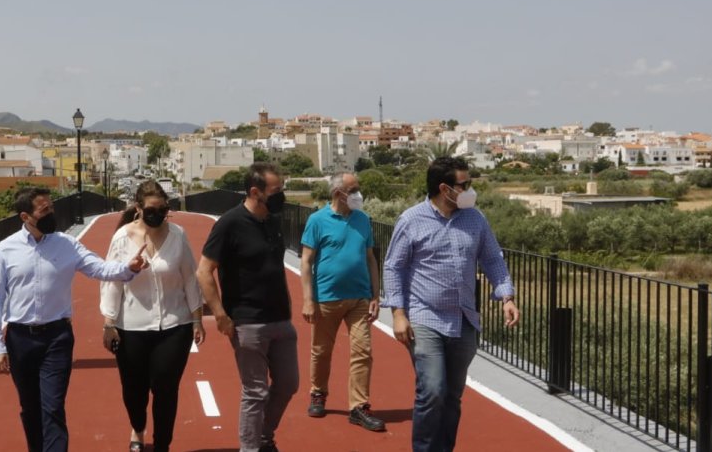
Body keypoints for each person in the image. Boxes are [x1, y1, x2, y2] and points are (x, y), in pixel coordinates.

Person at [0, 186, 150, 452]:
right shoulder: (5, 250)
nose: (52, 212)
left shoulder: (67, 244)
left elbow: (98, 267)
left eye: (52, 206)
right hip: (20, 339)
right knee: (30, 408)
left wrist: (127, 269)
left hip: (57, 338)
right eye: (44, 209)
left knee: (52, 406)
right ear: (26, 216)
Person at [382, 156, 520, 452]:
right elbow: (394, 267)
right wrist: (398, 314)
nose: (470, 189)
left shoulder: (475, 219)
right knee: (432, 391)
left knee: (453, 395)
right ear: (445, 189)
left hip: (464, 320)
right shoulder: (411, 220)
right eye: (465, 184)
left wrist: (506, 295)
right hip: (424, 317)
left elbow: (493, 257)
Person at [197, 162, 298, 452]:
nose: (282, 196)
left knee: (288, 384)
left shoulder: (273, 221)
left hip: (280, 319)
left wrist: (289, 305)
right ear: (256, 191)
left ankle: (264, 435)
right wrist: (220, 315)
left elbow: (276, 268)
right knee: (255, 391)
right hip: (247, 321)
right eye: (276, 190)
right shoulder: (229, 223)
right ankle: (252, 447)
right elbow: (204, 271)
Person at [100, 180, 206, 452]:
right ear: (138, 208)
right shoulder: (122, 237)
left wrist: (196, 319)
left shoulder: (178, 235)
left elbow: (189, 279)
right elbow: (112, 282)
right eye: (151, 209)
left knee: (165, 388)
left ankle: (162, 444)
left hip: (174, 325)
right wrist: (109, 324)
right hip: (131, 327)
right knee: (134, 392)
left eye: (163, 209)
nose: (157, 214)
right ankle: (138, 428)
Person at [299, 172, 385, 431]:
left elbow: (370, 258)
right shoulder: (317, 220)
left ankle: (358, 407)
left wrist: (375, 294)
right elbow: (306, 261)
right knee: (321, 351)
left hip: (358, 299)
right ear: (339, 193)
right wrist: (308, 300)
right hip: (325, 298)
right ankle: (318, 392)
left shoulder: (363, 219)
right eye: (354, 189)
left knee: (363, 352)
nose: (359, 194)